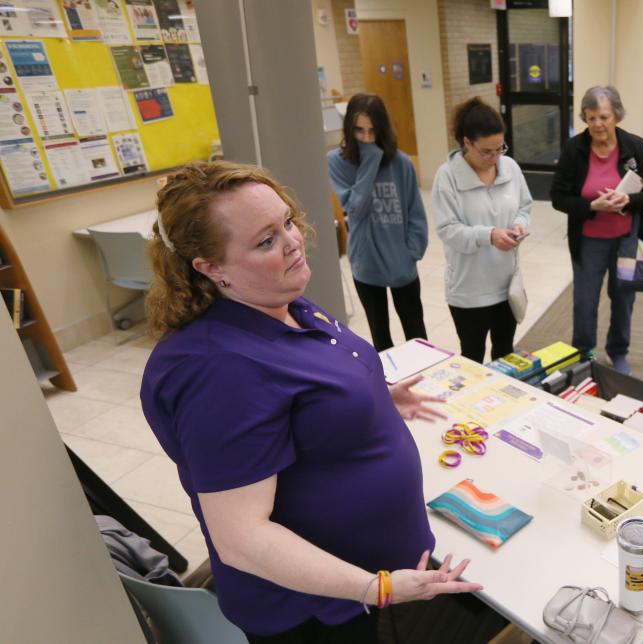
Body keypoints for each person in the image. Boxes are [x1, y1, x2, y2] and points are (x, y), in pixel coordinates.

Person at [139, 161, 481, 643]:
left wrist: (372, 400)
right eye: (265, 240)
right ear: (211, 267)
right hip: (317, 612)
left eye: (288, 221)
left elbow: (301, 390)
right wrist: (374, 586)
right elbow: (242, 539)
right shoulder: (217, 371)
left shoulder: (283, 302)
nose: (294, 240)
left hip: (371, 580)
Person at [550, 85, 643, 375]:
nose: (597, 124)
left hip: (628, 238)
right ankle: (584, 355)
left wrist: (628, 199)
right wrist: (592, 206)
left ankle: (618, 351)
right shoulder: (574, 150)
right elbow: (558, 198)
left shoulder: (635, 146)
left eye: (604, 117)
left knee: (623, 299)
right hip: (588, 241)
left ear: (617, 116)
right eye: (591, 118)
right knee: (584, 302)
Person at [432, 97, 532, 364]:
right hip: (469, 289)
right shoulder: (447, 177)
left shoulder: (510, 167)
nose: (495, 158)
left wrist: (521, 224)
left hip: (507, 285)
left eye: (500, 148)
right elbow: (448, 230)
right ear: (467, 143)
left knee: (505, 354)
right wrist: (489, 235)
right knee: (472, 359)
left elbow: (525, 206)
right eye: (487, 151)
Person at [327, 93, 429, 351]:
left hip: (401, 262)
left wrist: (412, 253)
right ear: (349, 128)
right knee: (380, 338)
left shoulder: (401, 163)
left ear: (382, 129)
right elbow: (355, 209)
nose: (366, 138)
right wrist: (371, 159)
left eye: (372, 131)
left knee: (417, 335)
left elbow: (416, 213)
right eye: (359, 130)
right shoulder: (336, 163)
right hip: (366, 263)